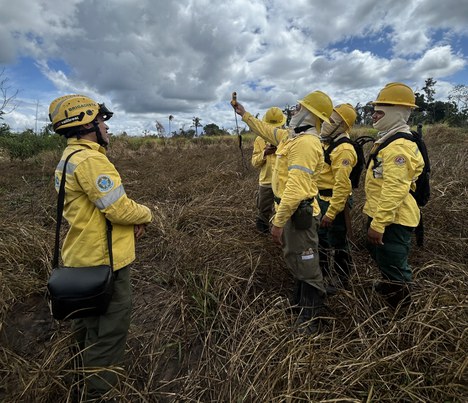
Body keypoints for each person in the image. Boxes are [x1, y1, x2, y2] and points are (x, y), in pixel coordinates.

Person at [49, 94, 153, 401]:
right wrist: (146, 213)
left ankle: (77, 380)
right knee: (108, 332)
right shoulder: (92, 160)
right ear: (86, 125)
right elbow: (118, 209)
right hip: (104, 261)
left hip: (80, 257)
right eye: (101, 122)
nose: (106, 129)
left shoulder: (68, 158)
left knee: (85, 326)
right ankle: (98, 393)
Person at [233, 91, 333, 333]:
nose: (294, 111)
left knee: (306, 260)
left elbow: (296, 188)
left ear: (310, 114)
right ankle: (300, 303)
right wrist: (244, 114)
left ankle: (310, 318)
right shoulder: (291, 137)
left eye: (300, 108)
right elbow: (267, 130)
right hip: (290, 210)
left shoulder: (306, 144)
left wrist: (277, 222)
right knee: (297, 256)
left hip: (298, 212)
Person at [364, 83, 424, 310]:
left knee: (394, 261)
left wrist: (379, 224)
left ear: (396, 112)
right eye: (374, 111)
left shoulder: (399, 147)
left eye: (379, 112)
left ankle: (402, 310)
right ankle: (389, 285)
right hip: (384, 214)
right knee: (381, 255)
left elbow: (395, 189)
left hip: (394, 219)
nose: (374, 115)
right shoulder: (388, 139)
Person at [317, 104, 357, 294]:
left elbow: (342, 186)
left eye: (331, 120)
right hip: (322, 199)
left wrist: (331, 213)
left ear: (343, 125)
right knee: (322, 241)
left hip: (335, 203)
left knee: (339, 243)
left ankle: (342, 279)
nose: (326, 123)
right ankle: (322, 276)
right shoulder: (327, 142)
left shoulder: (343, 150)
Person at [251, 107, 286, 233]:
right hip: (266, 182)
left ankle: (283, 234)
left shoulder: (286, 137)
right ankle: (262, 234)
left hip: (283, 181)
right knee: (263, 210)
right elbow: (254, 162)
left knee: (283, 210)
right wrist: (265, 153)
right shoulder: (259, 140)